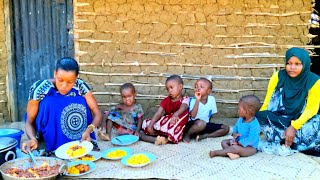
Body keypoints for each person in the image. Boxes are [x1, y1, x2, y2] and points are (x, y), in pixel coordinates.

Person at [21, 57, 102, 155]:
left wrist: (89, 130)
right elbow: (29, 121)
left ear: (76, 78)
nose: (64, 86)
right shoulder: (40, 89)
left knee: (80, 99)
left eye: (70, 82)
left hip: (80, 135)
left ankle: (80, 142)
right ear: (55, 73)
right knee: (50, 102)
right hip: (49, 132)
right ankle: (52, 147)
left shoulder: (81, 86)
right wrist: (32, 139)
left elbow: (97, 113)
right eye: (60, 80)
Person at [256, 47, 320, 153]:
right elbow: (267, 103)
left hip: (302, 121)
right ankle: (295, 142)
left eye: (297, 64)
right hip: (280, 119)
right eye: (289, 63)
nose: (292, 67)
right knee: (259, 116)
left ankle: (285, 140)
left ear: (305, 64)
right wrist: (256, 127)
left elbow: (311, 109)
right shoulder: (277, 77)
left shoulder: (315, 81)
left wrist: (294, 127)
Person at [141, 75, 189, 145]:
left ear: (180, 87)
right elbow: (158, 113)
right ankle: (163, 137)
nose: (169, 91)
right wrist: (150, 126)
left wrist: (176, 114)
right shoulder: (166, 100)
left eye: (171, 88)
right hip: (165, 123)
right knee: (146, 123)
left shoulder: (185, 99)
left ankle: (166, 137)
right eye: (167, 89)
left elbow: (184, 107)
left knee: (184, 112)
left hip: (175, 125)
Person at [209, 95, 261, 160]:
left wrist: (240, 143)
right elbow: (235, 128)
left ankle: (216, 153)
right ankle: (233, 153)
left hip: (250, 147)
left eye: (239, 109)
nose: (237, 110)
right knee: (224, 142)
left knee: (235, 148)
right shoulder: (240, 119)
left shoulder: (254, 124)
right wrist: (235, 134)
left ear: (247, 112)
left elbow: (252, 139)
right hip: (237, 142)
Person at [183, 78, 229, 143]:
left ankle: (204, 136)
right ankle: (187, 135)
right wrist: (197, 100)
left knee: (226, 128)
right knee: (201, 123)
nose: (198, 88)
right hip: (193, 125)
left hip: (205, 124)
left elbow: (210, 115)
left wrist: (209, 127)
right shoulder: (192, 100)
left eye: (201, 87)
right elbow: (192, 116)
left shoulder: (211, 99)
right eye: (196, 86)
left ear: (209, 91)